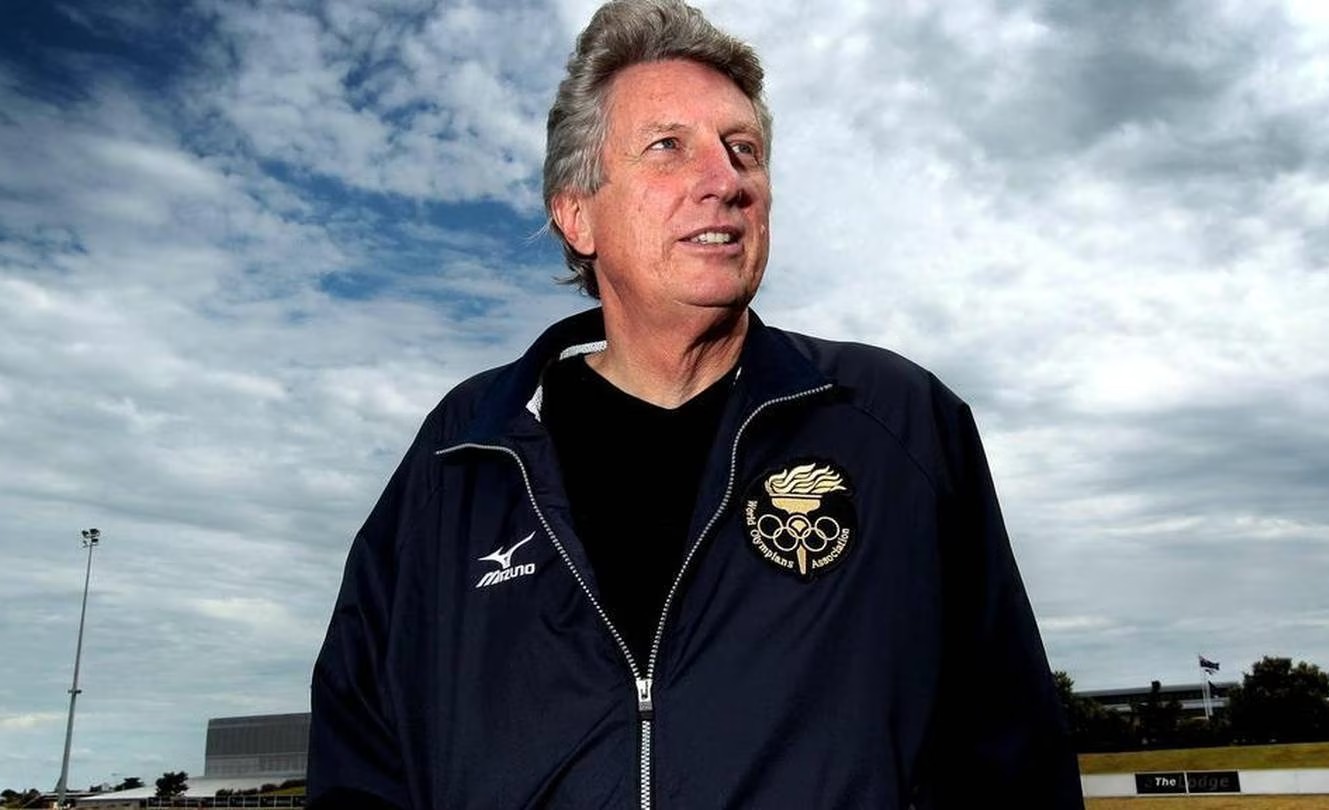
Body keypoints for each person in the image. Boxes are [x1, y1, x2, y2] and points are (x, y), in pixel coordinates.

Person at [308, 0, 1083, 807]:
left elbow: (1012, 757)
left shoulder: (897, 424)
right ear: (577, 214)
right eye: (668, 148)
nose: (725, 181)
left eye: (742, 150)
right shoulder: (464, 453)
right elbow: (361, 756)